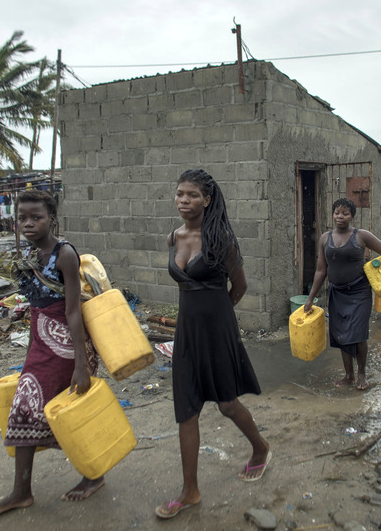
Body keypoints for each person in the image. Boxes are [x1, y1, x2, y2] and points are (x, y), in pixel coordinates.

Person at [155, 169, 270, 520]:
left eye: (191, 194)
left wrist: (218, 315)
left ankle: (261, 448)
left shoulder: (221, 239)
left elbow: (240, 286)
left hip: (218, 328)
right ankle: (190, 490)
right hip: (187, 332)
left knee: (226, 404)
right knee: (186, 410)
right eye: (179, 194)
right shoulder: (173, 237)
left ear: (206, 199)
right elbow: (183, 285)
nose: (183, 201)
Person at [0, 190, 104, 516]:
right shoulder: (27, 257)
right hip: (40, 341)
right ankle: (21, 491)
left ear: (52, 218)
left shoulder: (63, 254)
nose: (28, 224)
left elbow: (73, 311)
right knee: (26, 408)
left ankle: (93, 475)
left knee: (69, 410)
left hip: (66, 345)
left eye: (36, 217)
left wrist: (82, 364)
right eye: (22, 218)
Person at [304, 198, 381, 391]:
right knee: (342, 334)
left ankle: (361, 374)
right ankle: (348, 375)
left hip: (360, 292)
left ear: (352, 216)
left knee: (358, 334)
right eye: (337, 212)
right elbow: (321, 271)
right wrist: (310, 298)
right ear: (332, 214)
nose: (340, 216)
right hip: (337, 293)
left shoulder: (361, 236)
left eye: (345, 213)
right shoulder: (325, 238)